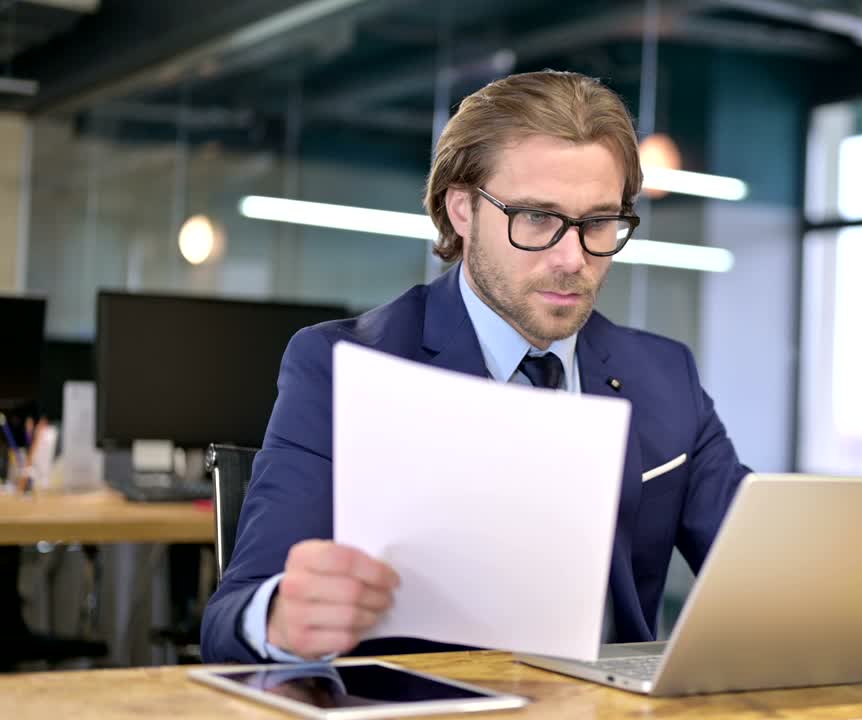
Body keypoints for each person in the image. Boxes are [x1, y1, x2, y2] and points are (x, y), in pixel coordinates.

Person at [200, 70, 750, 663]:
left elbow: (764, 567)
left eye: (597, 223)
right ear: (462, 210)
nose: (574, 258)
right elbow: (229, 621)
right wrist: (282, 617)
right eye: (537, 218)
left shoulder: (666, 376)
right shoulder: (343, 367)